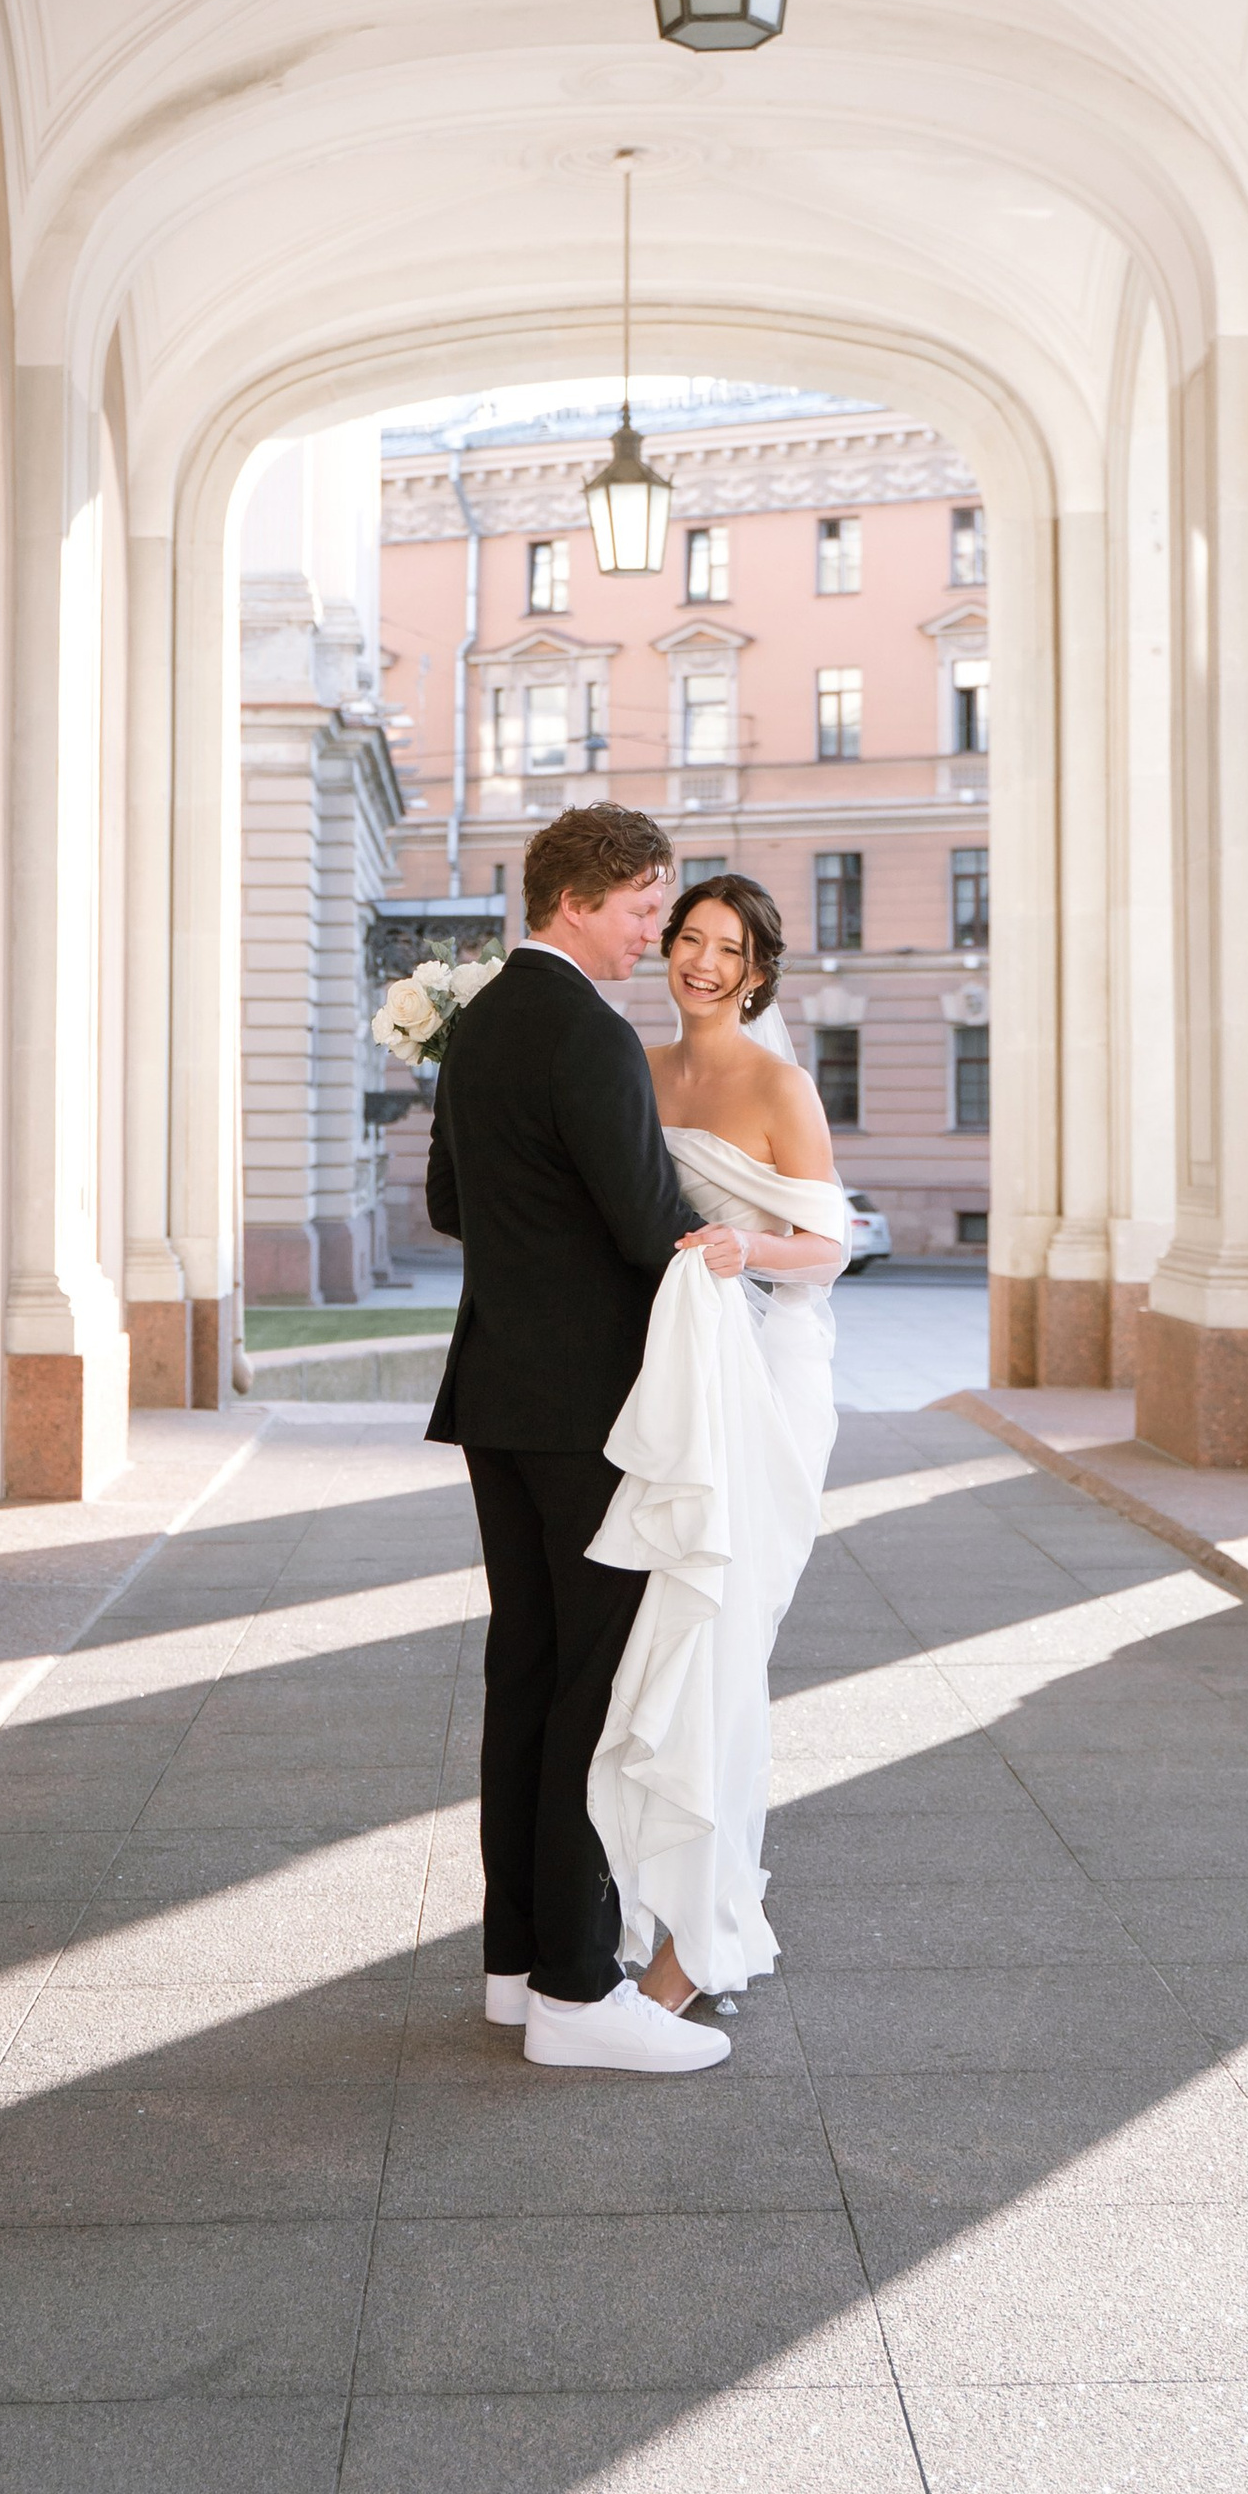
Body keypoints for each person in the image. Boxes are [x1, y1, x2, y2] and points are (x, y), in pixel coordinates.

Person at [423, 804, 749, 2074]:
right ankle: (572, 1989)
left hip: (498, 1402)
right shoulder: (591, 1034)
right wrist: (720, 1240)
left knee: (526, 1675)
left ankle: (513, 1966)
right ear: (577, 900)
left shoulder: (485, 1023)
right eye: (636, 911)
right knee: (592, 1694)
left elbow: (453, 1200)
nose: (649, 937)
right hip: (592, 1419)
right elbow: (641, 1225)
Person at [587, 873, 849, 2014]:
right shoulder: (639, 1073)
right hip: (675, 1377)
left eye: (724, 948)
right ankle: (659, 1907)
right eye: (686, 938)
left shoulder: (779, 1083)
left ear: (756, 970)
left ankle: (696, 1944)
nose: (698, 961)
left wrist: (750, 1255)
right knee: (661, 1642)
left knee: (724, 1638)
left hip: (764, 1378)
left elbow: (828, 1244)